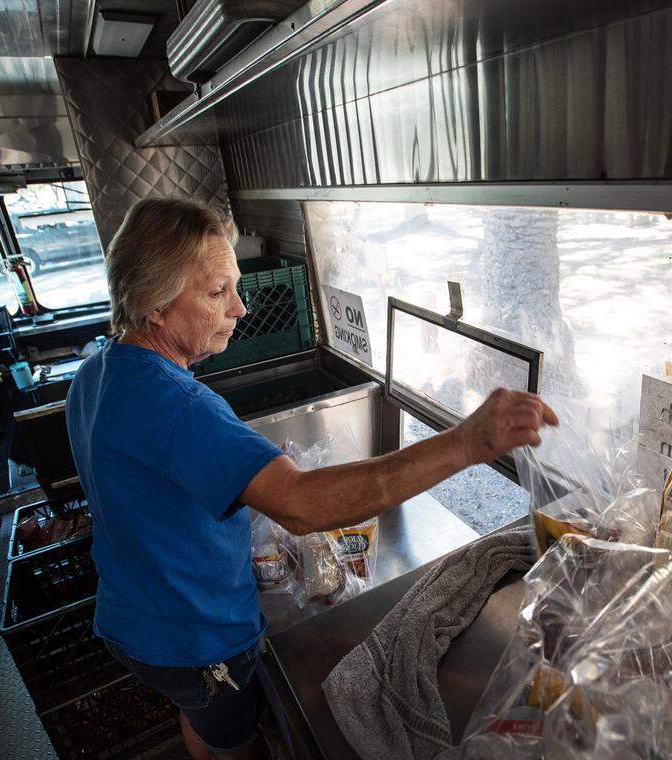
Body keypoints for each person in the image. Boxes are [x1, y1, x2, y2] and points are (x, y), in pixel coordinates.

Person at [65, 197, 557, 760]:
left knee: (201, 713)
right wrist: (468, 443)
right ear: (154, 305)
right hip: (195, 639)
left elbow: (147, 490)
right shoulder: (179, 407)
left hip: (132, 612)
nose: (241, 309)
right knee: (232, 734)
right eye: (216, 292)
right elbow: (300, 504)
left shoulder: (99, 369)